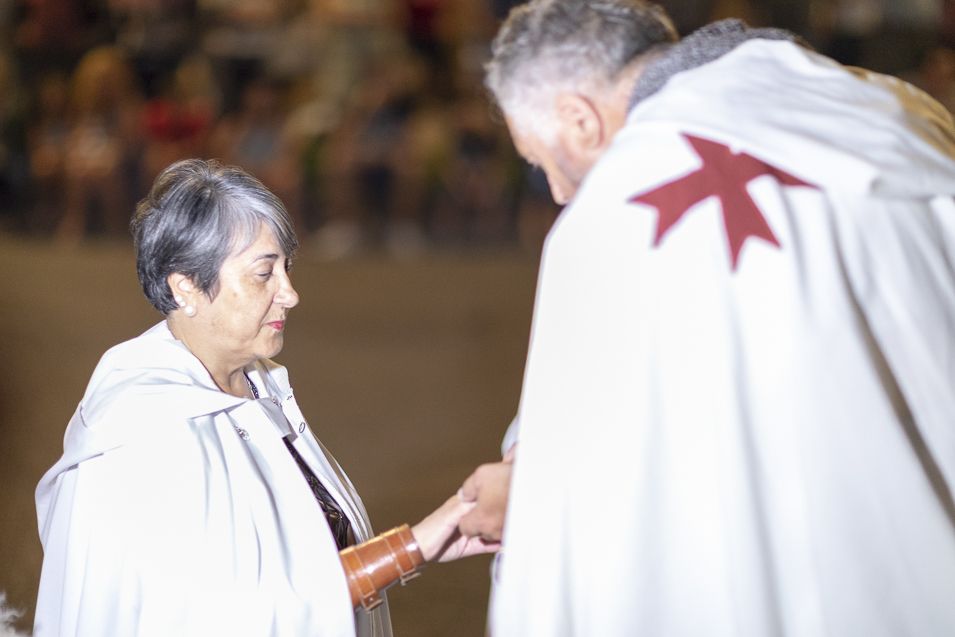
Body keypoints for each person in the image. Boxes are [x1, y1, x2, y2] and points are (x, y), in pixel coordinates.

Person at [459, 1, 955, 635]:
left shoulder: (617, 212)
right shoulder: (898, 113)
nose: (557, 191)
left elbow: (596, 484)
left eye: (542, 161)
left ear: (578, 119)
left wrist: (528, 490)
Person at [34, 159, 493, 636]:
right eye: (263, 274)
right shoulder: (143, 440)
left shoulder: (257, 384)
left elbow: (295, 560)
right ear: (185, 286)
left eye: (286, 268)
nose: (290, 294)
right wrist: (411, 547)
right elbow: (232, 619)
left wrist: (432, 544)